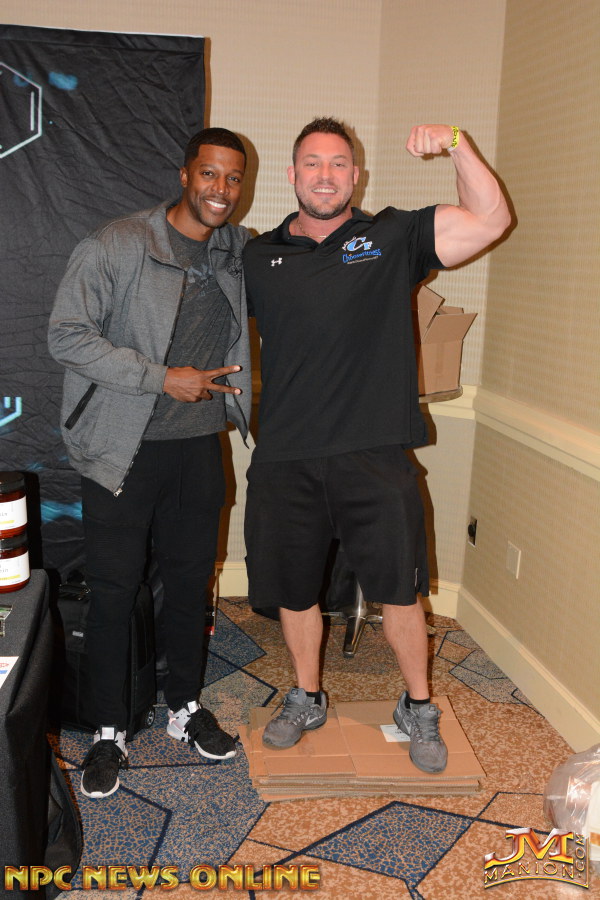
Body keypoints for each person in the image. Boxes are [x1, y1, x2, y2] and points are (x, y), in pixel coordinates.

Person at [243, 118, 510, 774]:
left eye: (339, 163)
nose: (325, 175)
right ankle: (306, 696)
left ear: (355, 176)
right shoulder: (258, 257)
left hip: (375, 453)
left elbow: (491, 219)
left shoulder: (392, 236)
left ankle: (418, 705)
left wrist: (456, 143)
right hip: (286, 455)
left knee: (400, 594)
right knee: (295, 593)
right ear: (292, 175)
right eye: (312, 163)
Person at [48, 127, 252, 798]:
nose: (221, 189)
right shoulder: (116, 243)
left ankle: (184, 707)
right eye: (209, 174)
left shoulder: (235, 250)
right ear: (185, 174)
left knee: (191, 587)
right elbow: (66, 336)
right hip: (120, 450)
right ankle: (108, 730)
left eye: (233, 178)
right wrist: (161, 378)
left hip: (198, 448)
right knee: (114, 592)